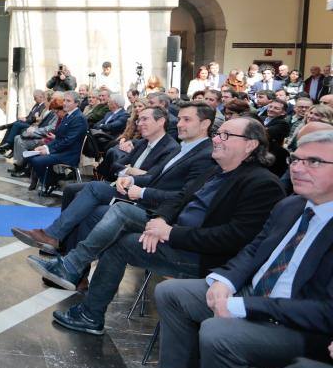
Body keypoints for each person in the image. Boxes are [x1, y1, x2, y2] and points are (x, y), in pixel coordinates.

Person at [49, 117, 284, 337]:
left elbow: (233, 238)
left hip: (203, 256)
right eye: (217, 133)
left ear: (250, 145)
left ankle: (84, 298)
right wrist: (160, 221)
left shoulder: (262, 184)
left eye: (225, 135)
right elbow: (178, 199)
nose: (216, 139)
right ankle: (76, 276)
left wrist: (170, 233)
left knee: (120, 240)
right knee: (121, 212)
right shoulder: (216, 171)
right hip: (174, 233)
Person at [154, 130, 333, 368]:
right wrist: (225, 280)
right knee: (171, 293)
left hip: (299, 324)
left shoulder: (266, 186)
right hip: (253, 292)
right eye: (296, 159)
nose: (298, 169)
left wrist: (244, 305)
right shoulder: (291, 205)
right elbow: (254, 249)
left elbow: (324, 311)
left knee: (218, 333)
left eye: (314, 162)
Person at [25, 101, 216, 288]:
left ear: (205, 124)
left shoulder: (199, 153)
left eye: (186, 120)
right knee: (87, 203)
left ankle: (63, 252)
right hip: (137, 194)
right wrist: (132, 179)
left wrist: (141, 191)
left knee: (93, 195)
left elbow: (183, 196)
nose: (179, 124)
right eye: (180, 119)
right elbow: (143, 173)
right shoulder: (182, 148)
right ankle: (70, 267)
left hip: (157, 212)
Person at [11, 106, 179, 253]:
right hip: (120, 185)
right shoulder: (143, 143)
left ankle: (52, 236)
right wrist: (129, 170)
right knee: (71, 190)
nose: (139, 123)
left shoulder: (170, 148)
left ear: (161, 121)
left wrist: (130, 175)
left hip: (138, 196)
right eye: (139, 119)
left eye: (145, 119)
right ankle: (60, 242)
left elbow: (152, 178)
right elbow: (115, 165)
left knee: (93, 190)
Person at [26, 91, 88, 191]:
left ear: (76, 103)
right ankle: (53, 180)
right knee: (31, 155)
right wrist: (45, 147)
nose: (64, 103)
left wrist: (48, 150)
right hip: (62, 150)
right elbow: (59, 137)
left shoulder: (79, 118)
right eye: (64, 100)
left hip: (69, 154)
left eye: (68, 101)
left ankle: (50, 182)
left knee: (37, 160)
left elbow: (68, 141)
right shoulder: (68, 116)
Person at [0, 90, 47, 155]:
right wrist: (25, 118)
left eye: (35, 98)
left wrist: (26, 120)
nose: (34, 99)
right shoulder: (36, 105)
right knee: (14, 125)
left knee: (16, 124)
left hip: (33, 125)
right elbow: (30, 115)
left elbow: (37, 119)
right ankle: (2, 147)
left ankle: (8, 140)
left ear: (41, 97)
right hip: (28, 122)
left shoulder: (44, 106)